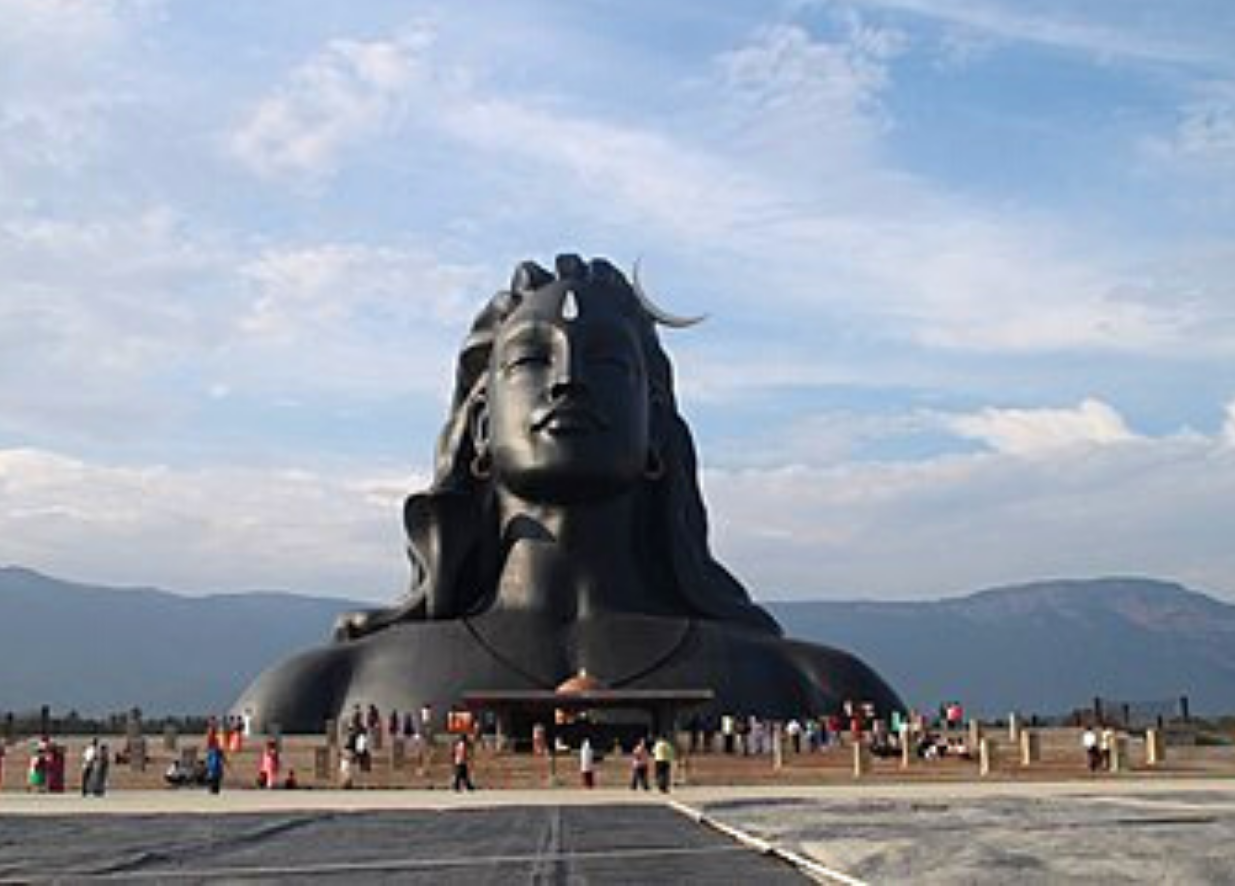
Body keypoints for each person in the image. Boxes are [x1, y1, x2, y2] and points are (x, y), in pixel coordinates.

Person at [232, 256, 907, 732]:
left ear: (657, 429)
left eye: (607, 361)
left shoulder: (815, 688)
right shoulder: (313, 693)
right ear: (478, 429)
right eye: (530, 359)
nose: (567, 381)